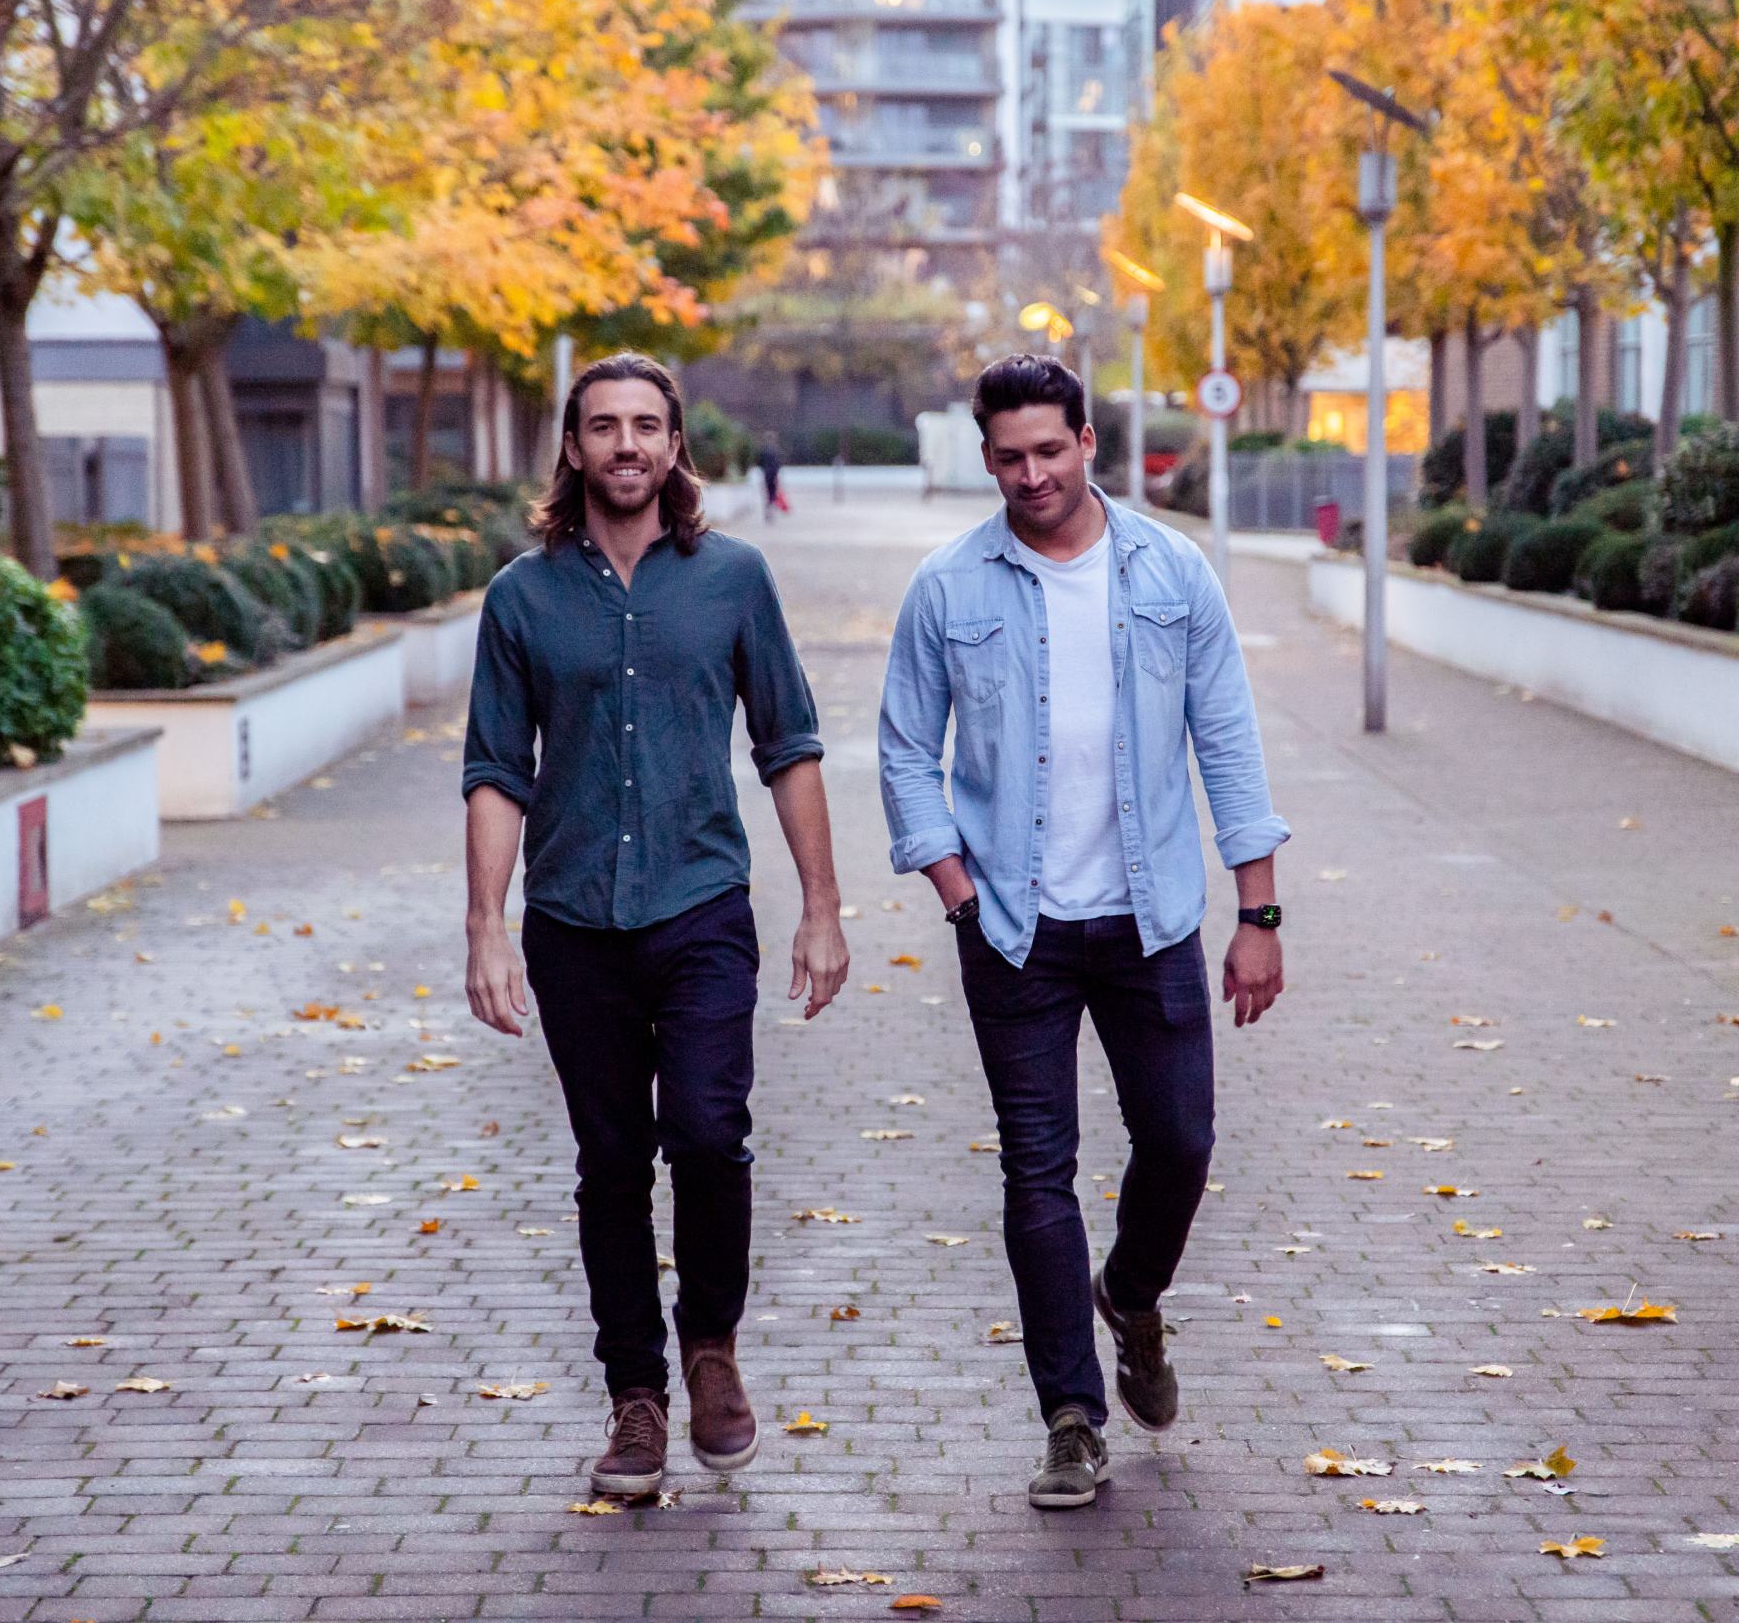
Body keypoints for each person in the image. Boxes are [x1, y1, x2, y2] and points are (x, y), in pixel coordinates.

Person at [877, 353, 1288, 1509]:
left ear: (1088, 442)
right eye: (1005, 456)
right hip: (1010, 928)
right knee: (1033, 1167)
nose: (1028, 475)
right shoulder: (949, 585)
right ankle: (1069, 1414)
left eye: (1048, 451)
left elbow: (1230, 747)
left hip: (1151, 918)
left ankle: (1132, 1292)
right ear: (984, 453)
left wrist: (1257, 911)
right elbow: (905, 747)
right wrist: (956, 893)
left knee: (1180, 1143)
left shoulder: (1171, 569)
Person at [462, 352, 850, 1497]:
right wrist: (485, 924)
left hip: (699, 910)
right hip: (574, 922)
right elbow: (496, 768)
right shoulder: (519, 598)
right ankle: (635, 1395)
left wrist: (821, 908)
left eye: (645, 425)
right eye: (602, 427)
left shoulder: (732, 578)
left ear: (675, 443)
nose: (624, 444)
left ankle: (711, 1344)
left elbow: (788, 744)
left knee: (708, 1130)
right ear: (571, 448)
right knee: (611, 1164)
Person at [758, 432, 787, 521]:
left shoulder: (763, 451)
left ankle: (768, 512)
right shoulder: (775, 451)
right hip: (773, 476)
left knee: (767, 495)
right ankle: (771, 513)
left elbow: (760, 463)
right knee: (772, 495)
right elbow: (777, 465)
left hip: (766, 475)